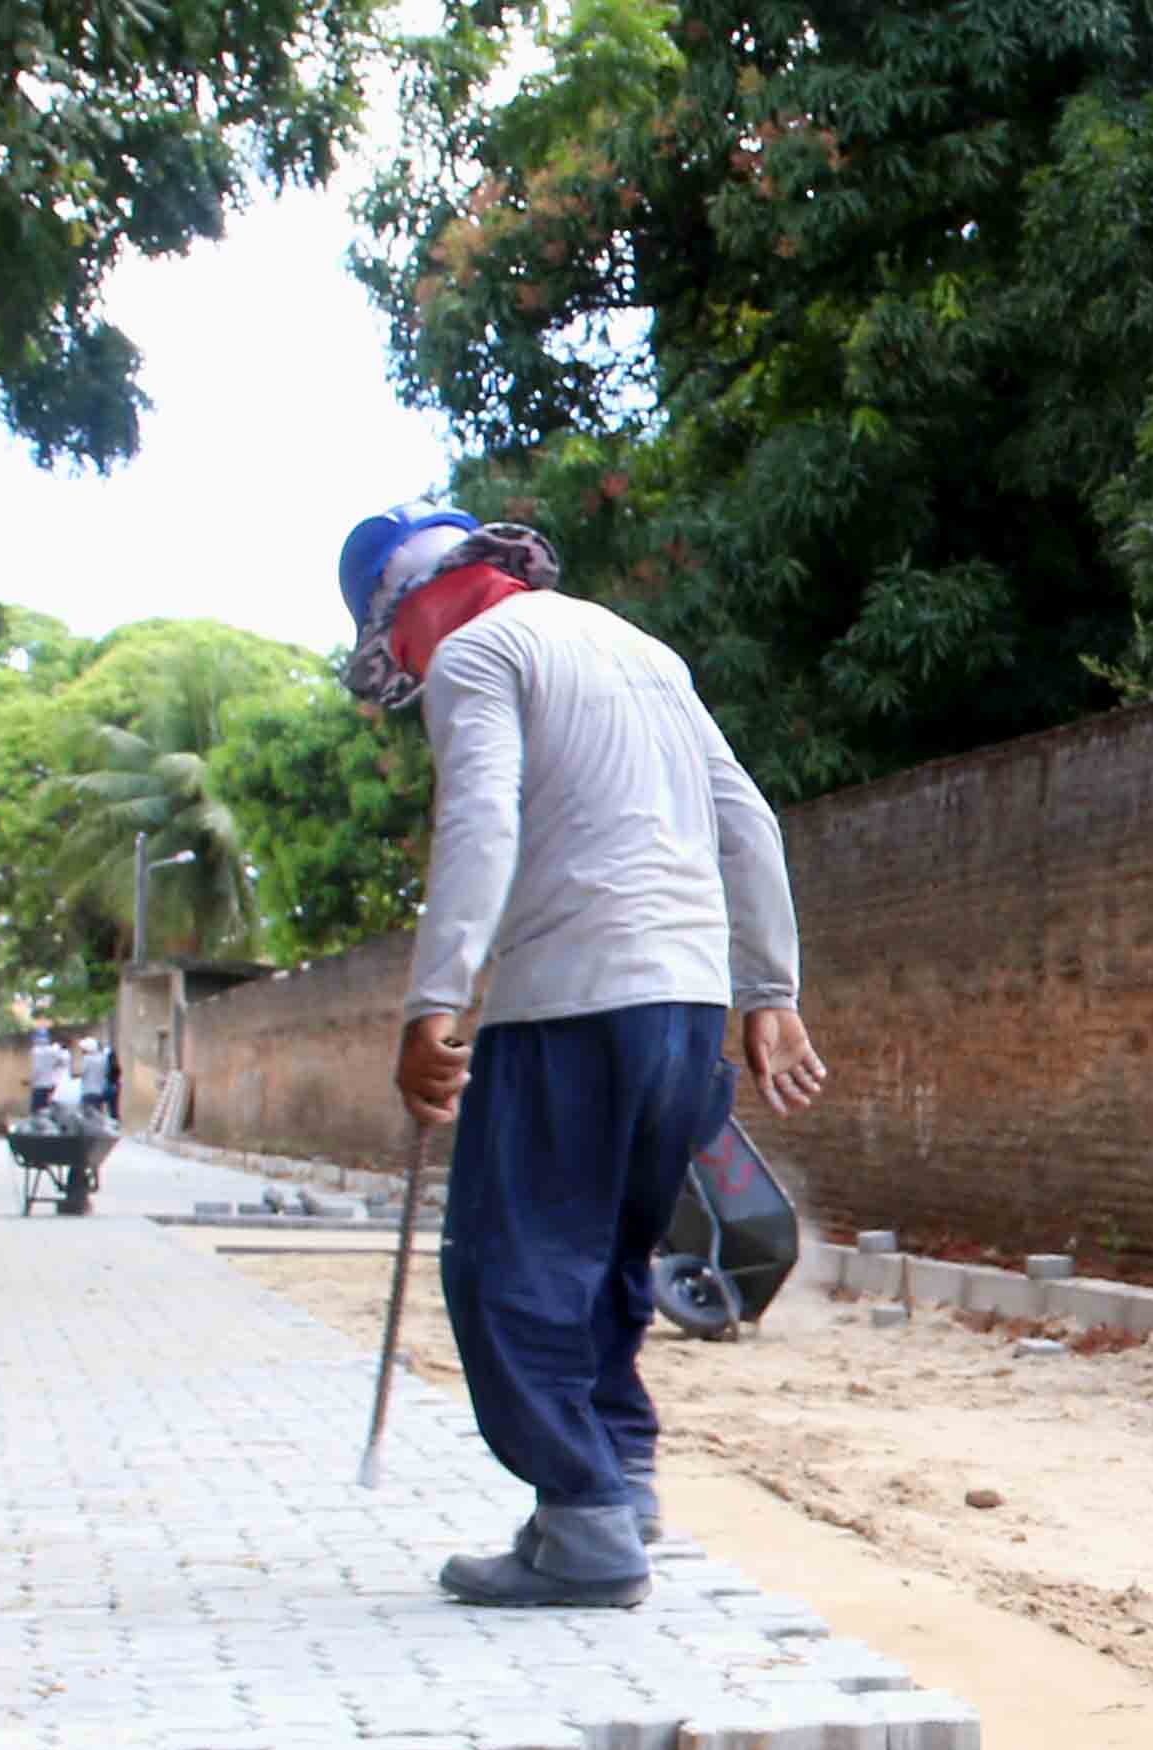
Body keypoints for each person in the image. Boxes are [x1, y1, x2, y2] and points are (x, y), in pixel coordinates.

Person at [343, 499, 820, 1608]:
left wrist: (432, 1001)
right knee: (608, 1254)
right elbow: (745, 817)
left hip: (568, 1003)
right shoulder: (638, 646)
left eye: (395, 645)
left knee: (507, 1264)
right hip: (682, 1012)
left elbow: (479, 824)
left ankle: (582, 1520)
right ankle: (625, 1473)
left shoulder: (477, 654)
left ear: (407, 603)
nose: (409, 667)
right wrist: (768, 991)